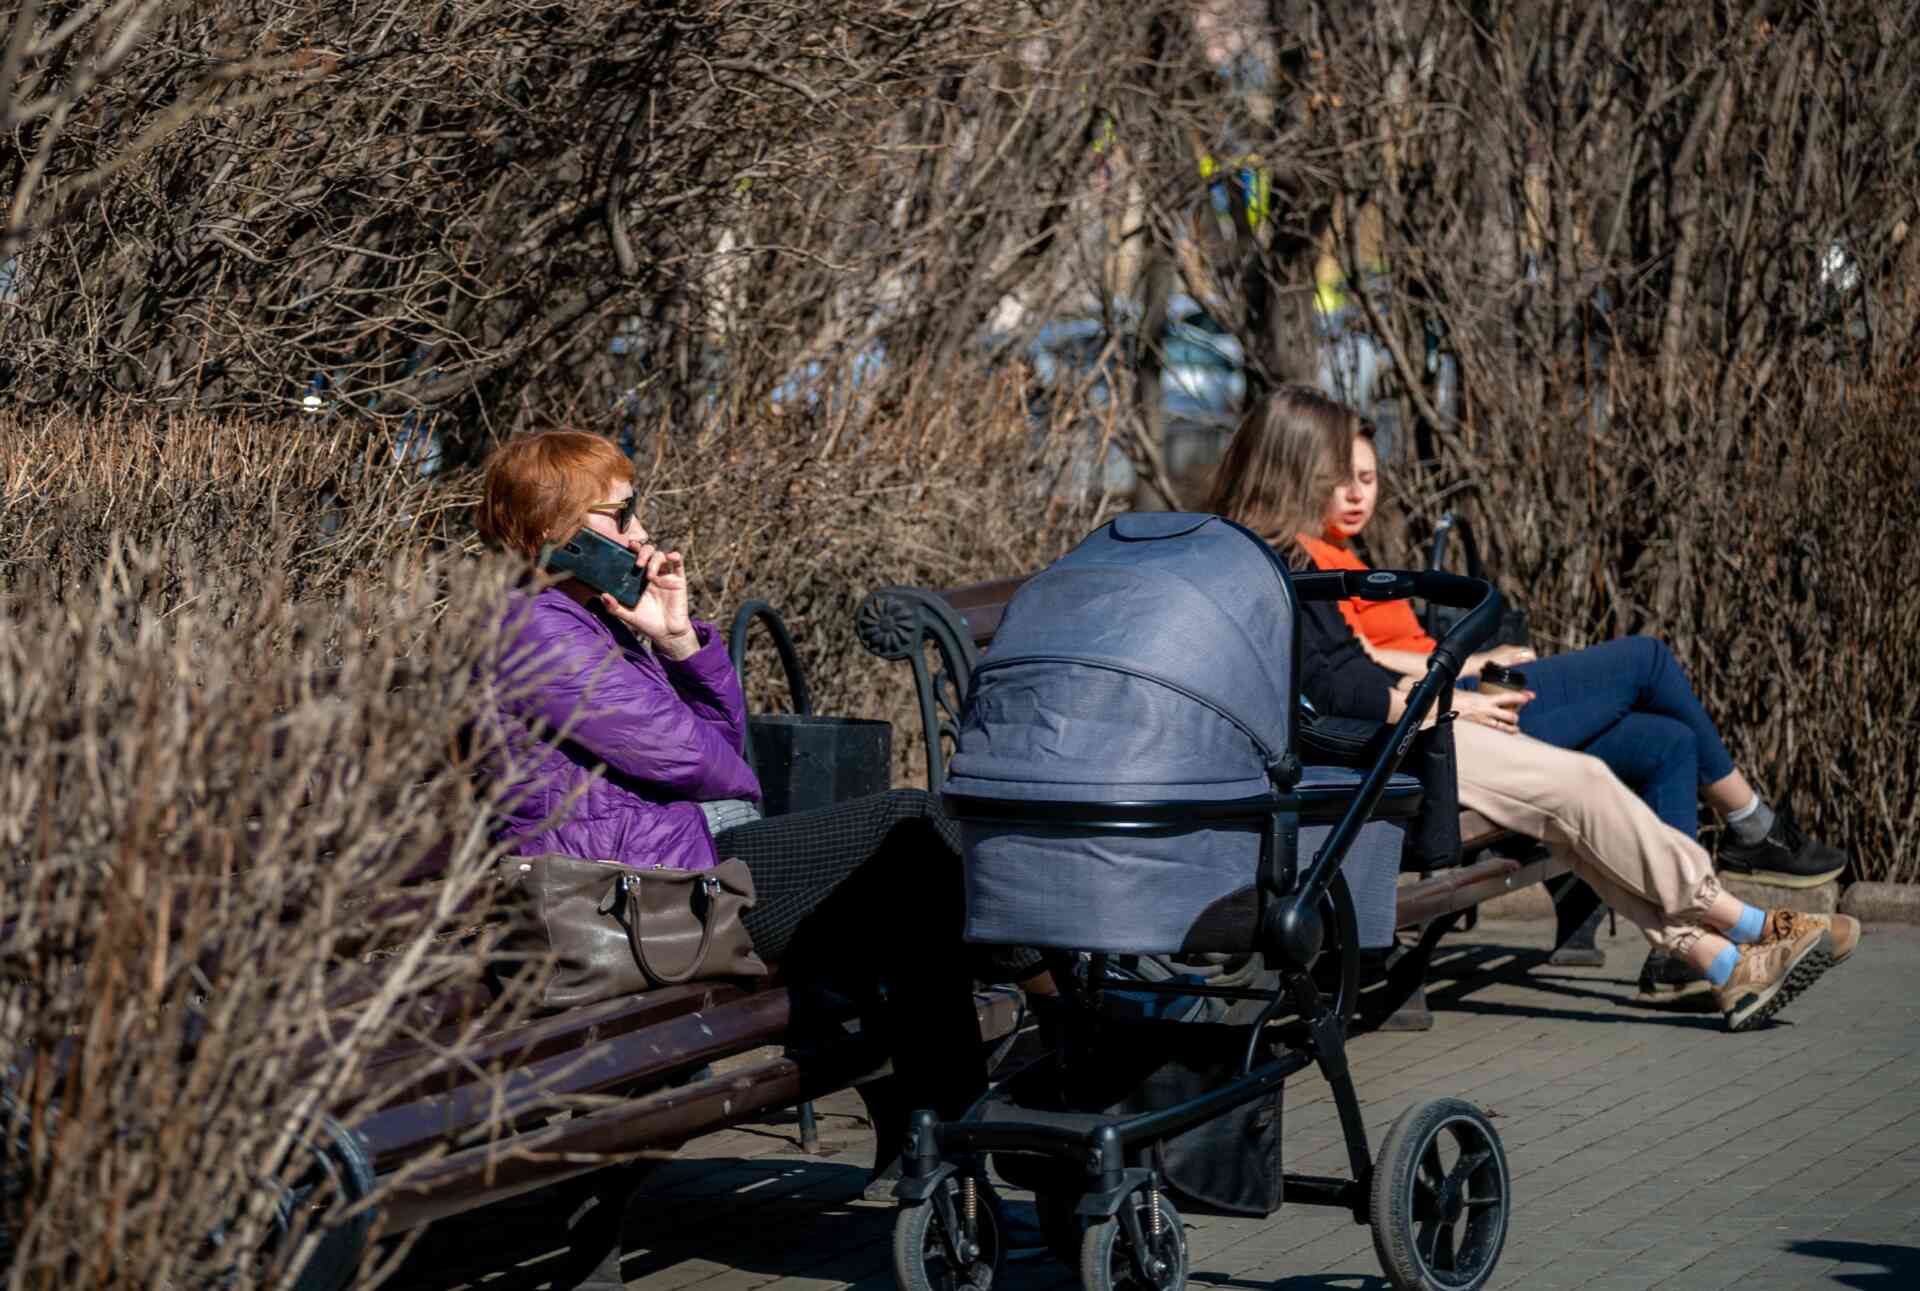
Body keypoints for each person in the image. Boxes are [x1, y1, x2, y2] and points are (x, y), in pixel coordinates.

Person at [1204, 386, 1860, 1032]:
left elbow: (1340, 673)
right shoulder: (1282, 562)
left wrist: (1447, 691)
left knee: (1581, 800)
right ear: (1296, 470)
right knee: (1585, 779)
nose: (1344, 488)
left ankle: (1725, 963)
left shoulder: (1264, 556)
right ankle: (1749, 922)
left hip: (1393, 738)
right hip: (1392, 750)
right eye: (1330, 471)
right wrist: (1450, 701)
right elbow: (1341, 686)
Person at [473, 430, 1047, 1133]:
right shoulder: (538, 632)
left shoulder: (594, 621)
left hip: (671, 878)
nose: (641, 532)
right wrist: (713, 747)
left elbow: (716, 746)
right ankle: (1054, 1011)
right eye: (620, 515)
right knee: (908, 822)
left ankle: (951, 1141)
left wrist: (680, 640)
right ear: (553, 527)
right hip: (624, 902)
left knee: (912, 888)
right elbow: (698, 759)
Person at [1292, 417, 1847, 893]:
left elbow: (1390, 652)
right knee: (1646, 659)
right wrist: (1473, 667)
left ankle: (1686, 940)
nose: (1358, 494)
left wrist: (1472, 662)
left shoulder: (1345, 555)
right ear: (1307, 479)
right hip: (1446, 715)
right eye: (1342, 482)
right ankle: (1753, 826)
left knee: (1668, 744)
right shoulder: (1313, 563)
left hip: (1452, 697)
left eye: (1367, 478)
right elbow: (1365, 666)